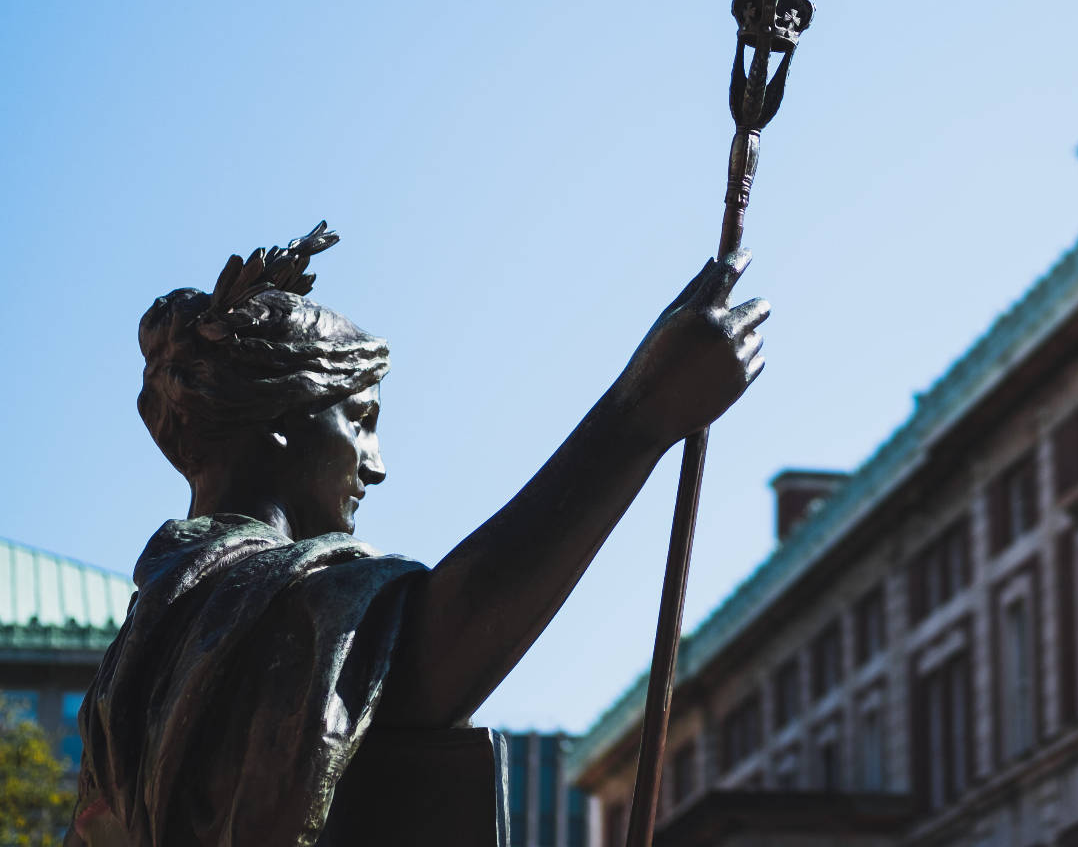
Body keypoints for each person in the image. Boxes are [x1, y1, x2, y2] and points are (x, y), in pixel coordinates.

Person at [67, 222, 768, 846]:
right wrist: (638, 417)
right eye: (360, 422)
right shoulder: (256, 607)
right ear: (283, 426)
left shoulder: (148, 642)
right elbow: (427, 649)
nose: (374, 466)